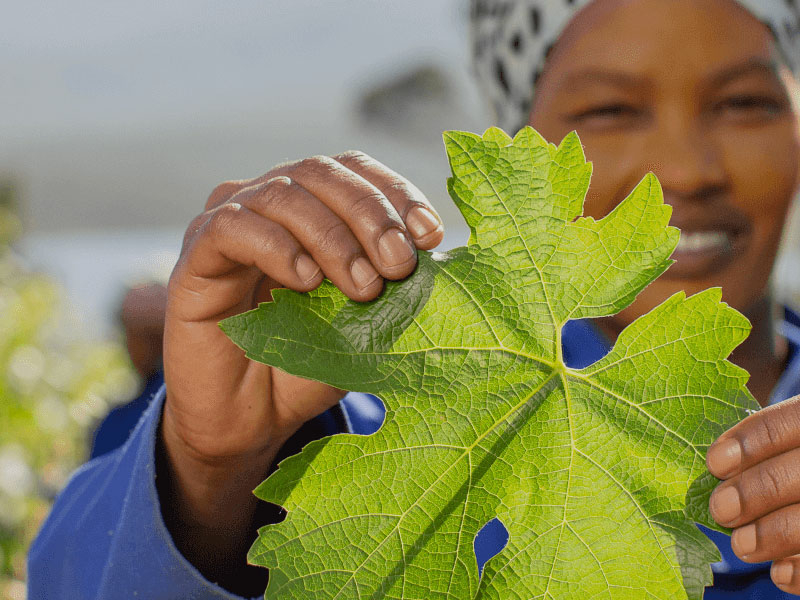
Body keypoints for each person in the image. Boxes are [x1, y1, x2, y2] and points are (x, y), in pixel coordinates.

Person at [27, 0, 800, 598]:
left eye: (744, 104)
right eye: (610, 111)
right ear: (519, 139)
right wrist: (203, 476)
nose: (688, 169)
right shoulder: (352, 413)